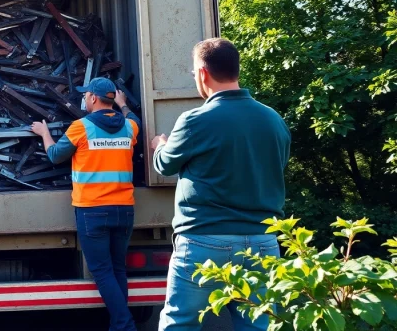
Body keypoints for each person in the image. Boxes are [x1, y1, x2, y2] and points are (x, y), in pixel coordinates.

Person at [153, 38, 291, 331]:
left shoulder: (195, 120)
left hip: (204, 240)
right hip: (262, 241)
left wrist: (160, 145)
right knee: (258, 325)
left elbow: (165, 165)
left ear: (203, 73)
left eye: (193, 73)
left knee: (180, 324)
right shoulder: (273, 119)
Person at [31, 77, 142, 331]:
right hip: (124, 209)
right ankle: (120, 325)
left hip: (92, 211)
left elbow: (55, 156)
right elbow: (136, 121)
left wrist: (44, 133)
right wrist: (123, 105)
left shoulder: (80, 127)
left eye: (86, 95)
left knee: (102, 272)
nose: (84, 99)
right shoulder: (129, 127)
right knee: (117, 269)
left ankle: (125, 325)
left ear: (92, 98)